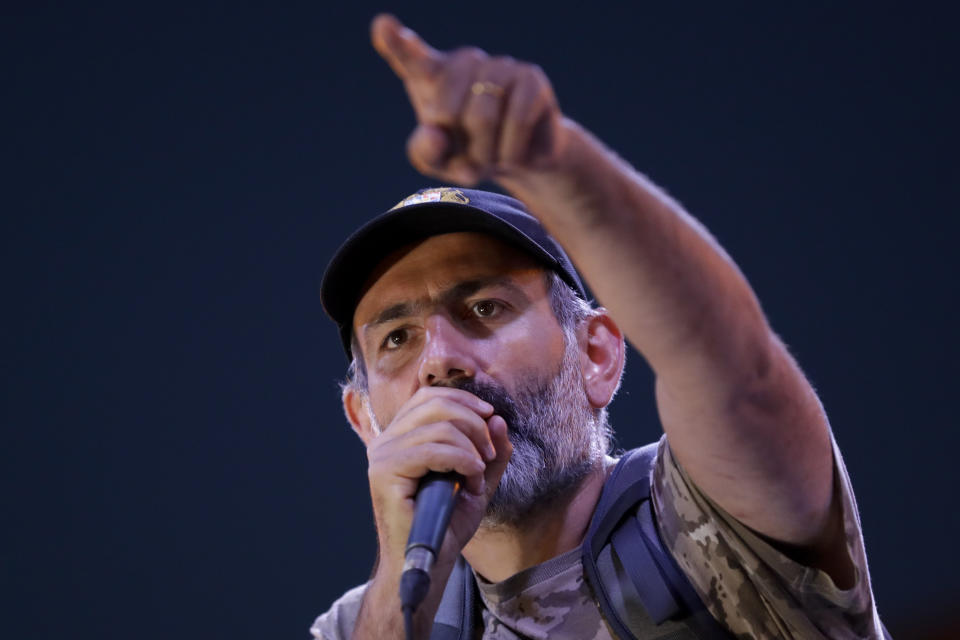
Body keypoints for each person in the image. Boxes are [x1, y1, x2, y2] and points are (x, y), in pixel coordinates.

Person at [312, 13, 885, 640]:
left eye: (485, 308)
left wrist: (553, 163)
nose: (440, 360)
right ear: (364, 419)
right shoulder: (355, 626)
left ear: (598, 355)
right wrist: (402, 577)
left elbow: (733, 370)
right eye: (397, 338)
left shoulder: (712, 517)